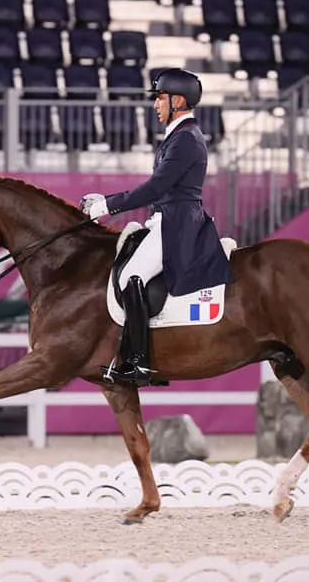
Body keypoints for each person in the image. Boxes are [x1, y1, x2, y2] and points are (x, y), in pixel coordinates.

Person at [80, 67, 234, 386]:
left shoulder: (186, 139)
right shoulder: (179, 136)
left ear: (178, 100)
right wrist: (105, 198)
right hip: (168, 218)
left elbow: (156, 187)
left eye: (160, 98)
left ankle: (139, 363)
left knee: (131, 275)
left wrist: (107, 206)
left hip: (178, 223)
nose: (155, 105)